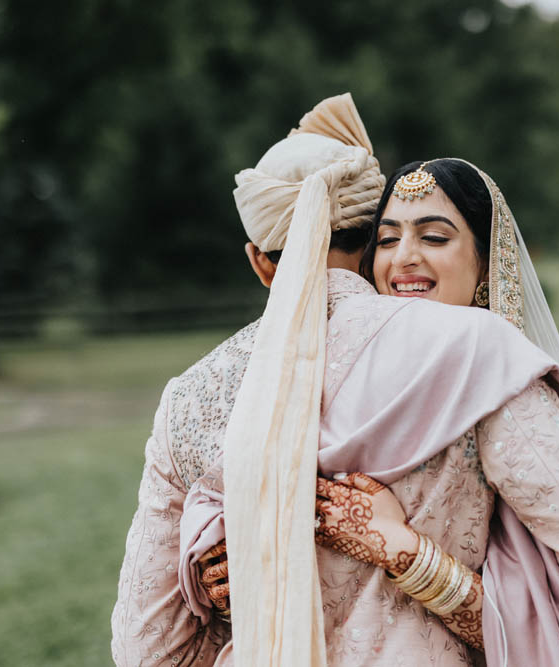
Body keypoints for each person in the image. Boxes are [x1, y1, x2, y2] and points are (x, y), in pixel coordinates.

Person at [182, 157, 559, 666]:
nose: (404, 258)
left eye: (433, 238)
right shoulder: (311, 379)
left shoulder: (494, 372)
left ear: (487, 260)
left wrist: (400, 548)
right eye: (386, 241)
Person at [110, 93, 386, 665]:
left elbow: (148, 648)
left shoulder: (190, 397)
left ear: (260, 262)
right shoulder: (457, 354)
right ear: (379, 241)